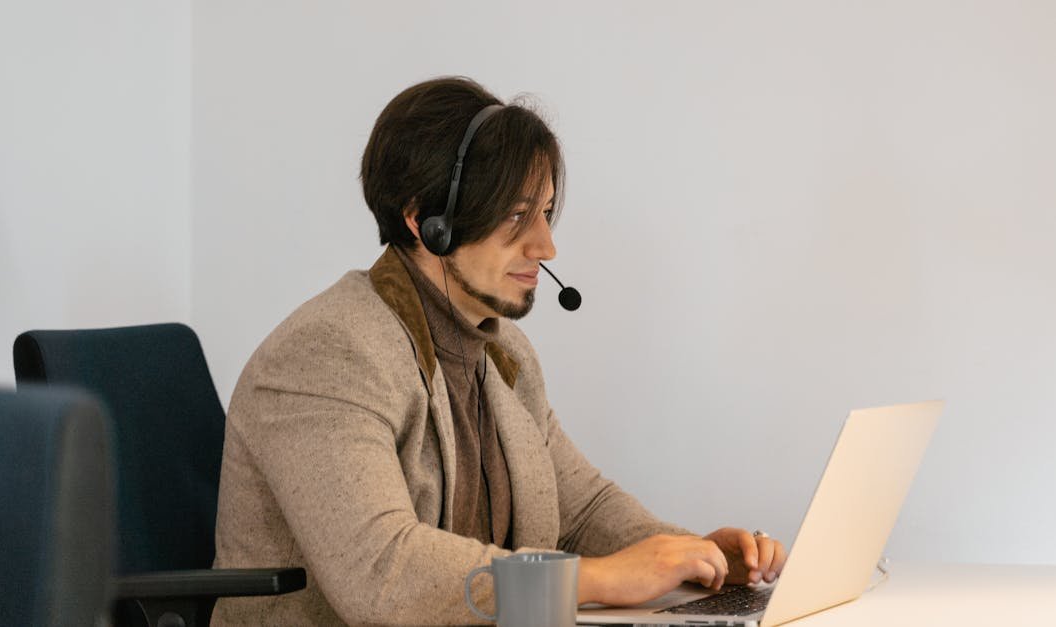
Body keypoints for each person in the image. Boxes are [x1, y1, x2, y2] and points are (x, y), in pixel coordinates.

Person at [211, 76, 787, 626]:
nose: (547, 245)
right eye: (516, 216)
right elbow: (380, 573)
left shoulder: (503, 353)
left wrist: (696, 557)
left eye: (544, 211)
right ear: (424, 220)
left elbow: (581, 509)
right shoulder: (329, 352)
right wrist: (596, 579)